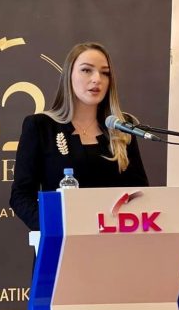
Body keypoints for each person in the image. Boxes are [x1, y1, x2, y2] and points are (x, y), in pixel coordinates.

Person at [9, 42, 149, 231]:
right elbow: (21, 196)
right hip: (63, 242)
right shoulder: (41, 126)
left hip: (117, 241)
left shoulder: (122, 127)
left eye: (105, 73)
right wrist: (53, 229)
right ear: (69, 76)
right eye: (86, 70)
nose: (97, 79)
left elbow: (140, 193)